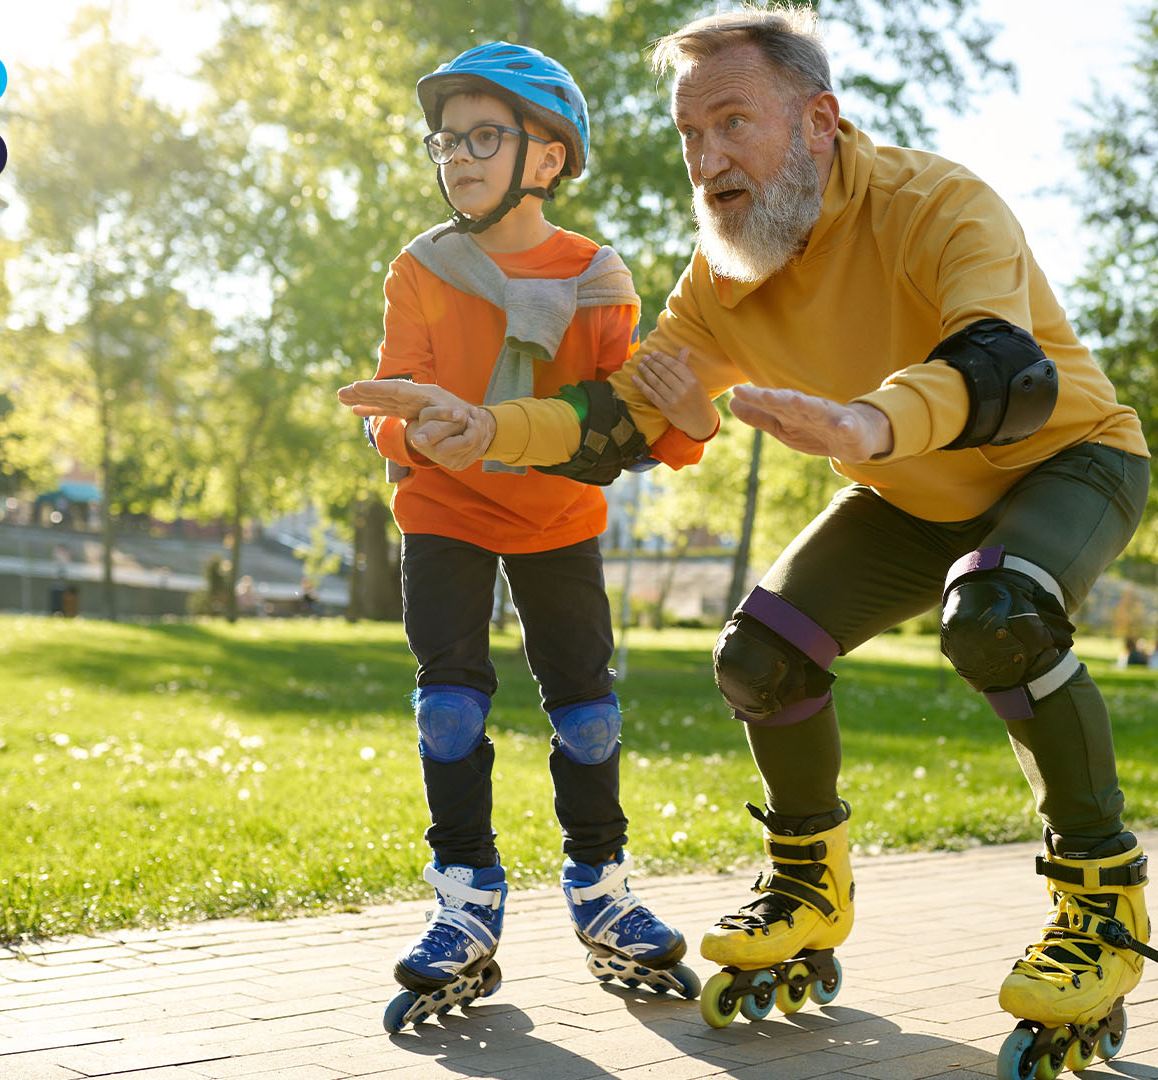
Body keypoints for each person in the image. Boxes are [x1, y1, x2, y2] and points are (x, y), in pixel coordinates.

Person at [341, 9, 1158, 1065]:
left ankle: (1100, 906)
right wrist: (489, 428)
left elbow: (1006, 368)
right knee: (760, 653)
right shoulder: (721, 277)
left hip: (1062, 460)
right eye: (691, 134)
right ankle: (808, 886)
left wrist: (871, 422)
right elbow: (618, 416)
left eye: (734, 123)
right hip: (913, 498)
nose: (707, 160)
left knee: (997, 614)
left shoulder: (937, 205)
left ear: (819, 121)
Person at [361, 42, 722, 1030]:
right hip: (445, 511)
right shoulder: (423, 267)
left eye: (486, 136)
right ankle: (465, 899)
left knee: (588, 715)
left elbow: (626, 418)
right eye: (448, 140)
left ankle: (599, 881)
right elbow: (396, 394)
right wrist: (404, 426)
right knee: (449, 709)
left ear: (548, 159)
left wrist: (684, 417)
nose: (460, 157)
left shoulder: (597, 277)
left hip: (558, 517)